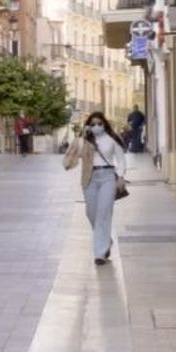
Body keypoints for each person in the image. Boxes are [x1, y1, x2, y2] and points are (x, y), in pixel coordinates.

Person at [64, 110, 128, 266]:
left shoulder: (111, 139)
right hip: (89, 178)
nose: (97, 126)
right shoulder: (84, 140)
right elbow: (71, 158)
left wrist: (120, 177)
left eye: (99, 123)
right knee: (91, 213)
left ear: (104, 124)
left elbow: (121, 159)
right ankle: (106, 240)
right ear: (88, 126)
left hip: (107, 177)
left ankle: (100, 253)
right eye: (93, 124)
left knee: (103, 213)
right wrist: (81, 136)